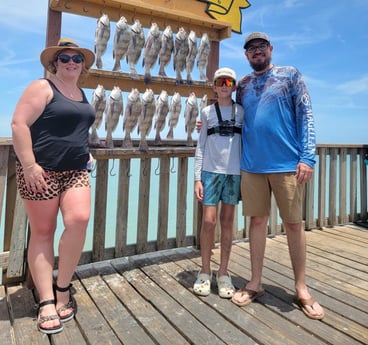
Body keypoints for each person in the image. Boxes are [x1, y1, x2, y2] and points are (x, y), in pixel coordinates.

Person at [231, 32, 325, 320]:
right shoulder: (243, 86)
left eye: (261, 47)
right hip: (252, 166)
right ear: (246, 55)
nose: (256, 52)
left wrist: (307, 157)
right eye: (251, 49)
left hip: (288, 165)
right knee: (257, 222)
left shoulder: (290, 75)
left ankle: (301, 288)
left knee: (294, 225)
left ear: (270, 49)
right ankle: (255, 282)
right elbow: (233, 116)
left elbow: (305, 114)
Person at [11, 38, 96, 334]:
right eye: (64, 58)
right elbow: (19, 124)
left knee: (79, 220)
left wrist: (86, 152)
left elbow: (75, 130)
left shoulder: (82, 93)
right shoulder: (43, 87)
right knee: (44, 232)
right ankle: (47, 300)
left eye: (76, 58)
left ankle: (63, 286)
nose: (71, 62)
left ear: (82, 65)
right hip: (41, 172)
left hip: (75, 170)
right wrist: (30, 165)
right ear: (54, 63)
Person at [193, 67, 244, 298]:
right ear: (214, 86)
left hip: (234, 174)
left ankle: (223, 273)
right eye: (220, 81)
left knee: (227, 222)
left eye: (229, 81)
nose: (224, 85)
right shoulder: (205, 113)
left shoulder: (242, 112)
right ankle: (205, 270)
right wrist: (197, 178)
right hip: (210, 173)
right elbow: (200, 146)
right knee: (209, 221)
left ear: (234, 86)